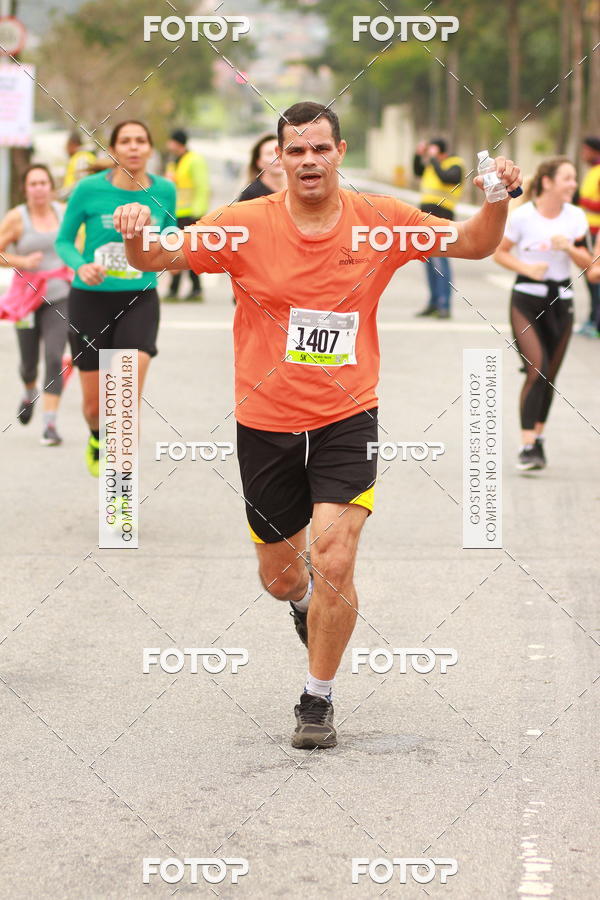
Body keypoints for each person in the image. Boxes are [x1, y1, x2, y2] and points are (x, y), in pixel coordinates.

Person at [113, 101, 521, 750]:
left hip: (346, 414)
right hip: (265, 419)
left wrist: (496, 195)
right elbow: (157, 259)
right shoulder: (242, 225)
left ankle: (316, 697)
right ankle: (303, 605)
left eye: (319, 149)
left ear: (339, 152)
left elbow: (471, 243)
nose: (307, 161)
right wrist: (136, 231)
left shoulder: (379, 222)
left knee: (335, 553)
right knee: (281, 578)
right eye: (294, 151)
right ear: (278, 158)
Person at [55, 120, 176, 476]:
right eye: (126, 141)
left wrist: (164, 251)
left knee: (124, 399)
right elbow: (63, 240)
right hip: (89, 301)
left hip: (139, 299)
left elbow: (170, 238)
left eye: (141, 140)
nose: (134, 147)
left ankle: (121, 489)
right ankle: (96, 437)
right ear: (113, 149)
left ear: (151, 148)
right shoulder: (88, 190)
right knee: (95, 407)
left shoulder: (165, 191)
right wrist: (81, 266)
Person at [493, 157, 591, 471]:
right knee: (537, 369)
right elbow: (499, 252)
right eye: (568, 178)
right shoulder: (523, 217)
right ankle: (526, 446)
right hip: (526, 299)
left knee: (549, 376)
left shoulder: (576, 217)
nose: (573, 185)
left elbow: (589, 264)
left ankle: (538, 438)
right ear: (547, 182)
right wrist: (527, 268)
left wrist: (569, 250)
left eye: (574, 179)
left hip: (563, 301)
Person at [0, 164, 71, 445]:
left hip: (59, 295)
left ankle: (50, 425)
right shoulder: (17, 218)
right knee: (29, 363)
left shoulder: (63, 214)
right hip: (26, 299)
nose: (39, 188)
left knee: (55, 357)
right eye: (33, 183)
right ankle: (29, 392)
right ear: (25, 188)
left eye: (44, 182)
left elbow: (75, 245)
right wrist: (22, 262)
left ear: (50, 187)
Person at [413, 138, 465, 318]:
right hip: (426, 217)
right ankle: (434, 303)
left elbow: (447, 178)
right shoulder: (432, 164)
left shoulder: (455, 163)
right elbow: (417, 170)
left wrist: (434, 159)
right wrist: (418, 155)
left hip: (443, 216)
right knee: (427, 260)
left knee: (440, 260)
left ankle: (444, 305)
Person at [163, 129, 210, 302]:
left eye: (171, 142)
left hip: (190, 213)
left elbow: (202, 186)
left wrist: (198, 213)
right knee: (175, 251)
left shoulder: (194, 160)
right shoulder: (172, 161)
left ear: (177, 143)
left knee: (190, 252)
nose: (168, 145)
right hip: (175, 213)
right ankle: (175, 290)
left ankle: (195, 289)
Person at [575, 136, 600, 335]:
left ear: (594, 151)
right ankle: (593, 318)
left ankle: (596, 322)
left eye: (585, 150)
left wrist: (581, 200)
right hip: (586, 231)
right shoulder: (592, 172)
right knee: (589, 279)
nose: (583, 154)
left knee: (595, 278)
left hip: (596, 232)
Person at [238, 134, 285, 201]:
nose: (276, 157)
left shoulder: (297, 189)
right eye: (269, 153)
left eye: (279, 152)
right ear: (258, 162)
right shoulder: (250, 194)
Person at [61, 132, 96, 199]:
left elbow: (81, 184)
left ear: (73, 144)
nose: (66, 149)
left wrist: (61, 195)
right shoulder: (78, 157)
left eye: (67, 145)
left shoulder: (82, 158)